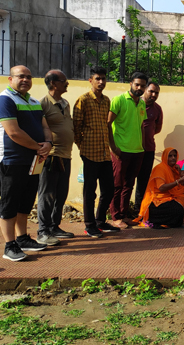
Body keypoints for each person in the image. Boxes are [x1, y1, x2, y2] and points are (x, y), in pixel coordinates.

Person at [0, 65, 51, 261]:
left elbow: (45, 126)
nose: (25, 80)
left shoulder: (34, 101)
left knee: (26, 202)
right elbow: (13, 132)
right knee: (9, 204)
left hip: (33, 161)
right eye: (21, 76)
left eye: (29, 77)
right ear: (10, 79)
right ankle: (9, 246)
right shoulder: (5, 99)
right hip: (12, 161)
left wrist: (47, 143)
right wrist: (38, 147)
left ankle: (22, 238)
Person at [74, 67, 120, 238]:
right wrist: (82, 146)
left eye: (103, 79)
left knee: (108, 189)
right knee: (90, 191)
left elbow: (107, 126)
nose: (101, 82)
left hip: (104, 153)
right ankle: (89, 225)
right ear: (90, 80)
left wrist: (112, 147)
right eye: (97, 78)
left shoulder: (107, 100)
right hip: (90, 153)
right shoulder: (83, 100)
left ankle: (100, 221)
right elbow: (76, 126)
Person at [36, 70, 74, 246]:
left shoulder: (65, 103)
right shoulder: (42, 104)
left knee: (61, 193)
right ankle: (43, 231)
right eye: (63, 81)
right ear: (53, 83)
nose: (66, 83)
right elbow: (37, 129)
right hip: (51, 156)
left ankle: (55, 226)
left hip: (66, 155)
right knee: (47, 194)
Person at [108, 72, 148, 228]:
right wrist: (113, 147)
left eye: (142, 85)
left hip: (137, 151)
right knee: (117, 185)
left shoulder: (142, 103)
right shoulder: (119, 100)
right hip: (120, 150)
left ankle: (123, 215)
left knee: (129, 185)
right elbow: (108, 123)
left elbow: (141, 126)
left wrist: (142, 146)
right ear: (131, 83)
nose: (139, 88)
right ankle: (115, 217)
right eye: (137, 84)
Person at [135, 148, 184, 228]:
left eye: (174, 155)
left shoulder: (173, 169)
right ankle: (152, 221)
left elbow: (179, 186)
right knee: (177, 210)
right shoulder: (160, 168)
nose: (173, 158)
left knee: (181, 205)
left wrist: (179, 172)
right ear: (164, 157)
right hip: (156, 201)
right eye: (170, 156)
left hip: (169, 198)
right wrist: (178, 181)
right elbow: (161, 188)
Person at [135, 81, 163, 211]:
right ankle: (121, 212)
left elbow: (157, 129)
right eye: (151, 91)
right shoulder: (135, 104)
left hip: (148, 149)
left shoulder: (157, 109)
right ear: (145, 90)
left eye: (156, 92)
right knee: (126, 181)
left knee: (143, 181)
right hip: (131, 149)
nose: (153, 94)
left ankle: (139, 210)